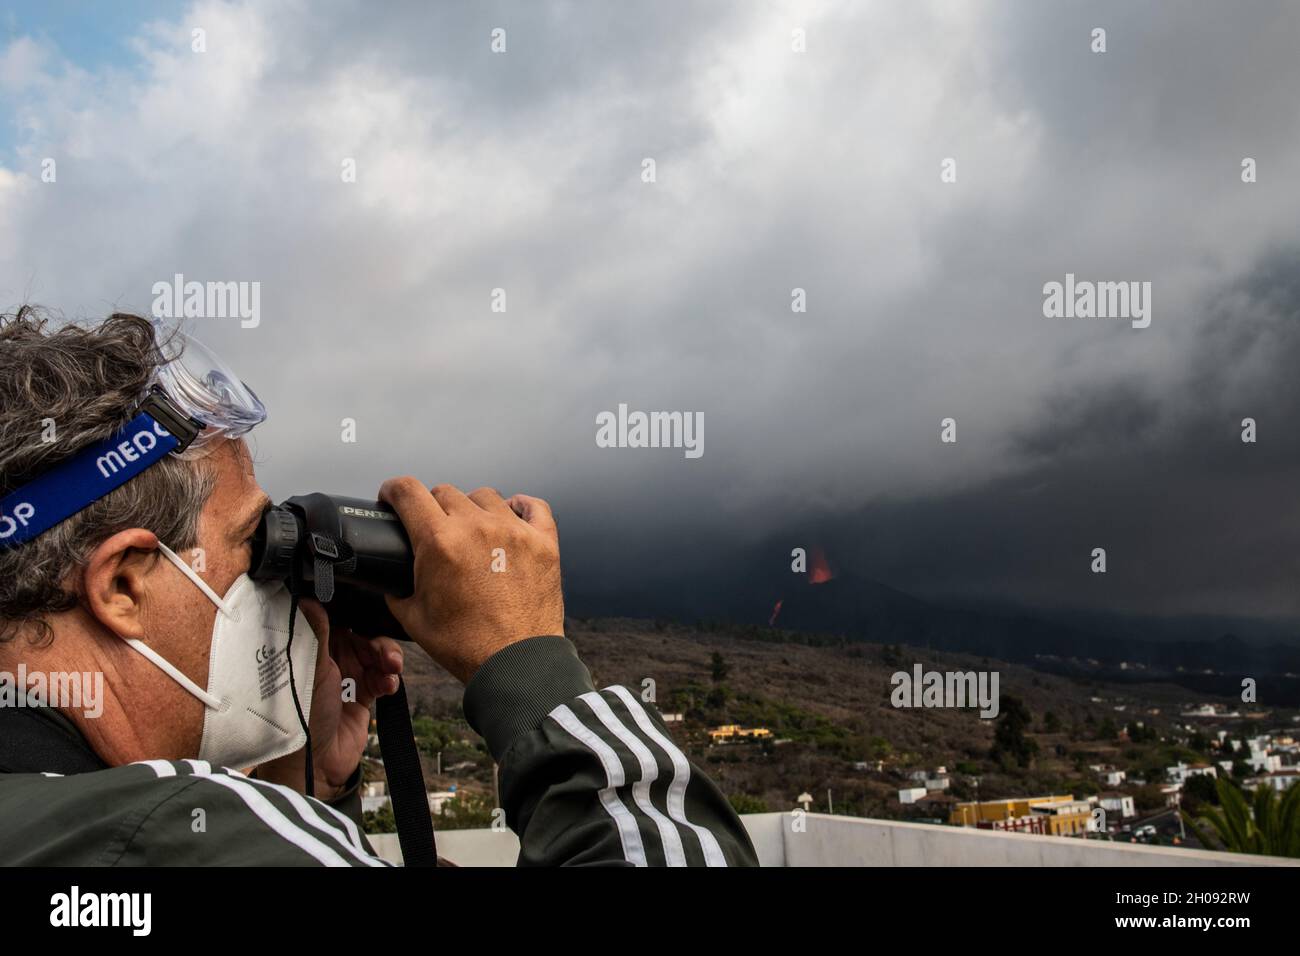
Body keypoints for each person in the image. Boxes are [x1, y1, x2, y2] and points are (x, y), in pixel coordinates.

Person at [0, 307, 758, 867]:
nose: (278, 592)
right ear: (125, 583)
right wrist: (532, 666)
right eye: (252, 545)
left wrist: (299, 788)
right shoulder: (164, 832)